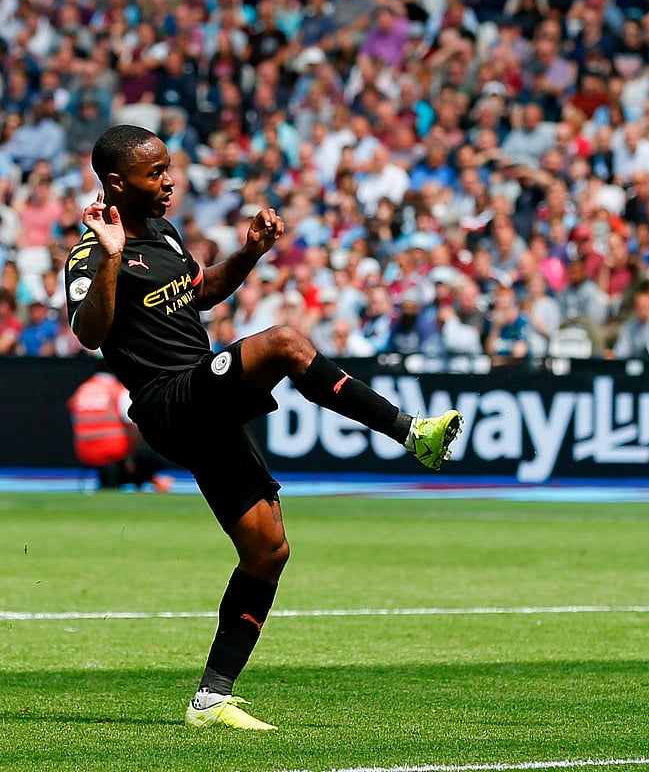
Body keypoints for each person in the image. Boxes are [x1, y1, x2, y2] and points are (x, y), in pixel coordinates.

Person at [67, 125, 464, 731]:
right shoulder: (90, 254)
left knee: (267, 548)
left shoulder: (168, 234)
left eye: (169, 167)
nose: (170, 180)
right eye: (156, 173)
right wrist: (113, 255)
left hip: (201, 394)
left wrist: (250, 251)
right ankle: (412, 433)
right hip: (166, 400)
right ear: (117, 182)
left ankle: (211, 699)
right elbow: (91, 332)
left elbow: (200, 294)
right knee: (283, 342)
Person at [68, 362, 174, 492]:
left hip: (85, 452)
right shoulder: (117, 390)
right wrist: (130, 457)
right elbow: (134, 425)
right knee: (155, 453)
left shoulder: (82, 390)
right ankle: (141, 480)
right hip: (113, 451)